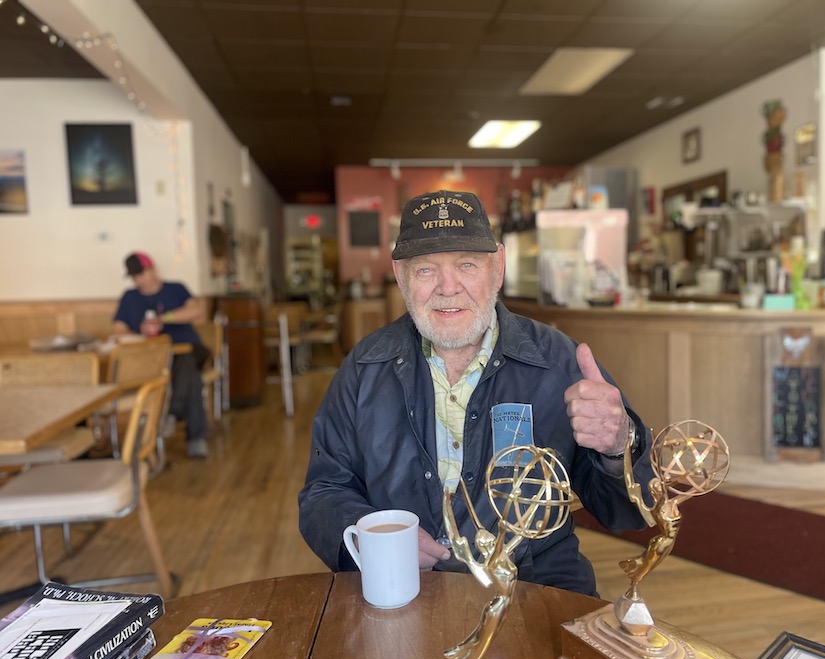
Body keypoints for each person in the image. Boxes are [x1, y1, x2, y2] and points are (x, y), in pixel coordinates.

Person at [298, 190, 655, 596]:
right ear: (401, 276)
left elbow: (628, 510)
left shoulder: (559, 361)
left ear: (497, 268)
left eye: (467, 264)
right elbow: (323, 491)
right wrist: (373, 539)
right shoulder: (364, 369)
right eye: (427, 270)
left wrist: (618, 445)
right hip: (404, 589)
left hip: (534, 589)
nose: (448, 288)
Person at [113, 252, 210, 459]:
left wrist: (163, 319)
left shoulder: (175, 289)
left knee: (186, 367)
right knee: (191, 378)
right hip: (149, 358)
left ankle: (172, 414)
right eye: (135, 276)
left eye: (142, 274)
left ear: (153, 269)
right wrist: (140, 332)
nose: (140, 280)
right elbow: (117, 329)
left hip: (187, 350)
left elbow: (197, 312)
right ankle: (194, 437)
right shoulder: (129, 297)